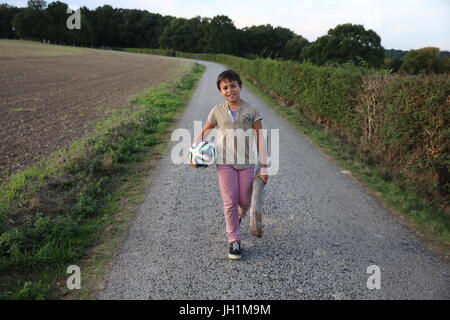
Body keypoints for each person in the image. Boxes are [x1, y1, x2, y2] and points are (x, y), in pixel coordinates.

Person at [189, 69, 268, 260]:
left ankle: (238, 217)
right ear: (220, 91)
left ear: (240, 86)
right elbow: (205, 130)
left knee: (245, 202)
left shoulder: (252, 111)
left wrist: (264, 166)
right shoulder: (217, 111)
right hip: (224, 163)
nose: (229, 90)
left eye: (233, 86)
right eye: (225, 88)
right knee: (230, 201)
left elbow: (260, 139)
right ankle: (234, 240)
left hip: (246, 163)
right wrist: (192, 153)